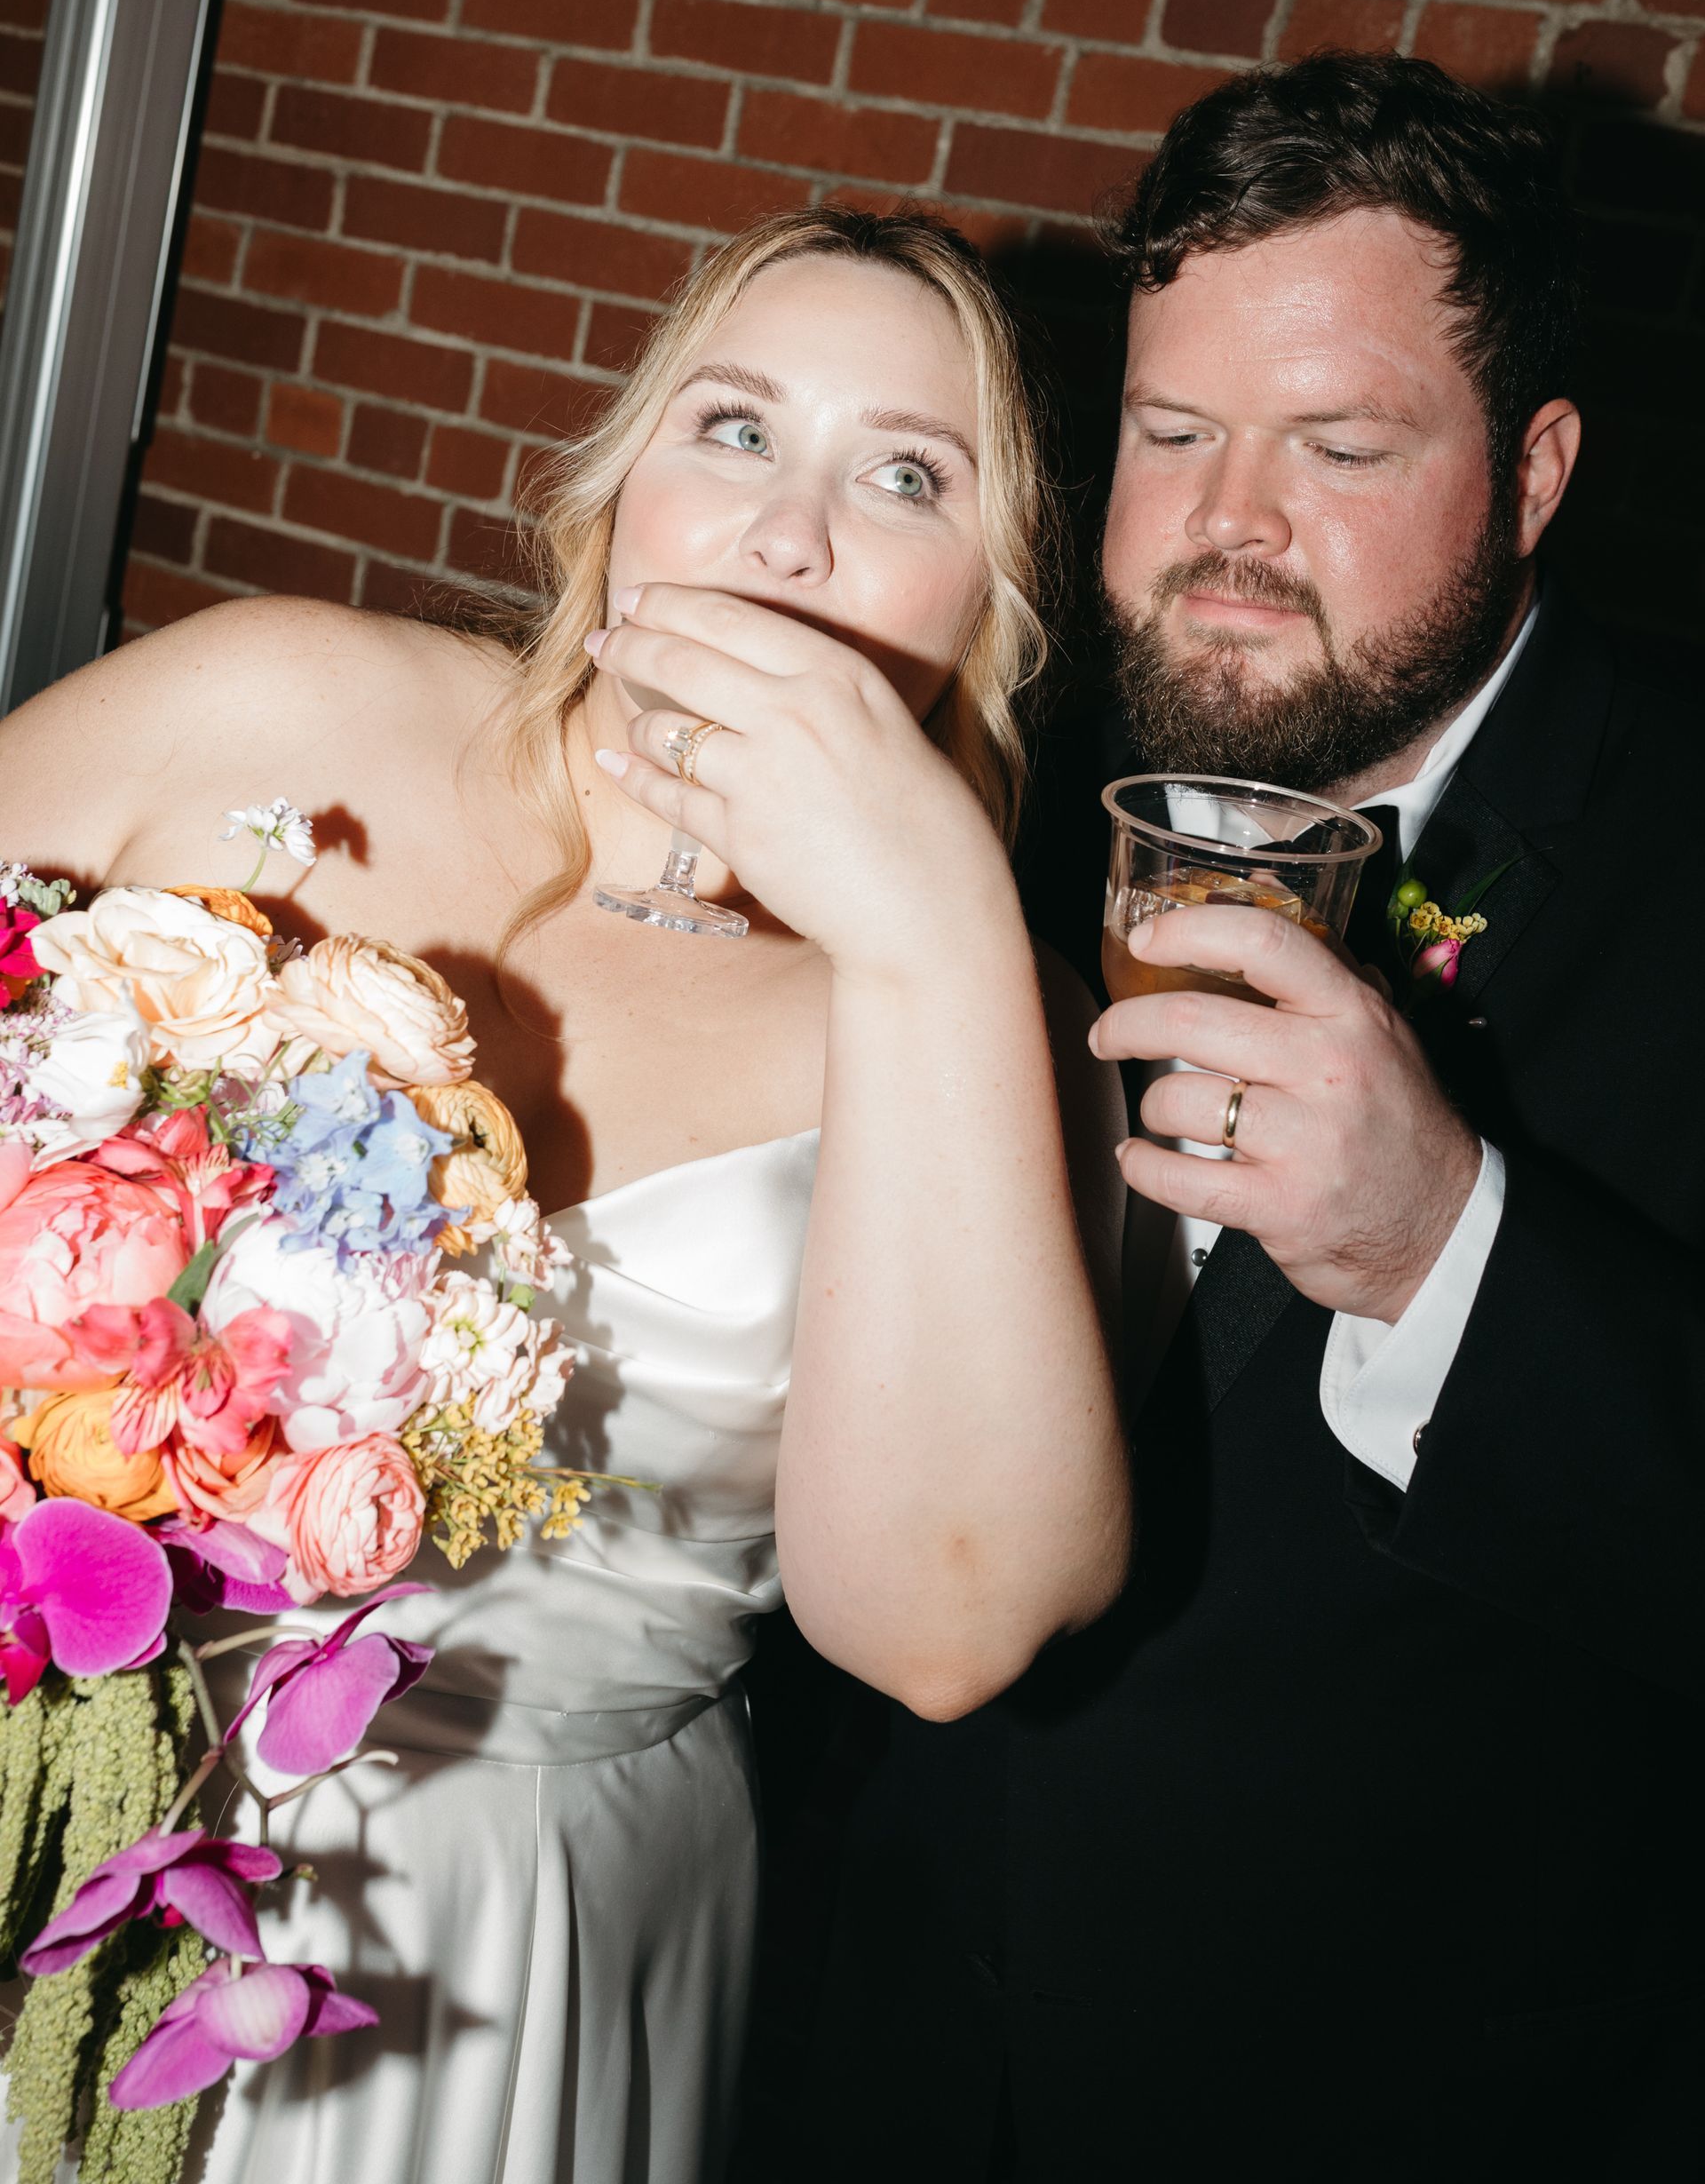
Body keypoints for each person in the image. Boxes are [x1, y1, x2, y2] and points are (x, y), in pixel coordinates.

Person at [0, 208, 1130, 2184]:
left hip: (497, 1942)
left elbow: (950, 1631)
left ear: (995, 599)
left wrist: (933, 928)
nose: (789, 535)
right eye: (733, 428)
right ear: (616, 492)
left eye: (903, 475)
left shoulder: (986, 1021)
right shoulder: (278, 702)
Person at [802, 55, 1704, 2179]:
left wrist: (1440, 1247)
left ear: (1537, 467)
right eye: (1177, 432)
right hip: (861, 2027)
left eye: (1345, 446)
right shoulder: (969, 779)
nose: (1228, 527)